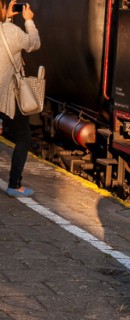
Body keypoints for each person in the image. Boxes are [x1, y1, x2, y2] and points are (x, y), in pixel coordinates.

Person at [0, 0, 40, 197]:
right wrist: (28, 21)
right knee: (23, 136)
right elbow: (34, 43)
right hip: (7, 97)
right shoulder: (12, 32)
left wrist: (5, 17)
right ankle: (15, 184)